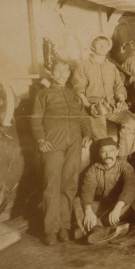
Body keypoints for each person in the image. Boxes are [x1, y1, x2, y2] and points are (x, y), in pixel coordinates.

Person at [31, 60, 92, 245]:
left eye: (66, 71)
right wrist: (40, 139)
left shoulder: (74, 94)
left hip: (73, 143)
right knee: (52, 184)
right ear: (52, 73)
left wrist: (87, 134)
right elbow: (35, 119)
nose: (63, 75)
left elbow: (83, 117)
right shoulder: (43, 94)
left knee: (69, 184)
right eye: (59, 71)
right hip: (52, 143)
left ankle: (64, 227)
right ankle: (51, 230)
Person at [72, 35, 135, 160]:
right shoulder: (83, 66)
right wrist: (89, 106)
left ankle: (122, 160)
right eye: (99, 43)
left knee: (131, 121)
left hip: (112, 105)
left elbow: (119, 87)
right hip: (93, 106)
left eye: (105, 44)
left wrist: (121, 100)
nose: (103, 46)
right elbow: (78, 91)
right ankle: (103, 163)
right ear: (92, 47)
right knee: (101, 134)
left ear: (109, 47)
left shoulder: (112, 67)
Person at [73, 137, 135, 236]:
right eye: (104, 152)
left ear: (117, 152)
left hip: (119, 205)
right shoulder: (93, 169)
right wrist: (88, 211)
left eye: (111, 151)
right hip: (101, 205)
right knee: (77, 200)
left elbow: (130, 188)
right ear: (99, 154)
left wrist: (117, 208)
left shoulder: (125, 167)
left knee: (130, 203)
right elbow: (87, 190)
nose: (108, 155)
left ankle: (87, 228)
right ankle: (97, 228)